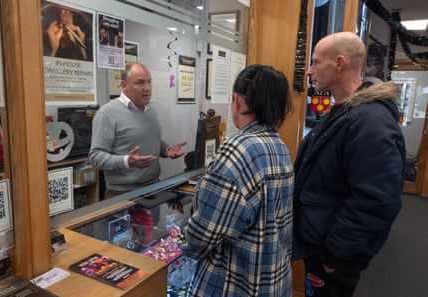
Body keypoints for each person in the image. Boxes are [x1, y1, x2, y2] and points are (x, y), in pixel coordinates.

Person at [293, 31, 406, 297]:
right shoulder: (346, 112)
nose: (309, 71)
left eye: (316, 62)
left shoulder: (370, 122)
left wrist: (333, 254)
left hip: (333, 254)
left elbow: (377, 201)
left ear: (340, 63)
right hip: (319, 244)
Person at [183, 64, 294, 297]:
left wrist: (182, 242)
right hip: (273, 281)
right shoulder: (279, 146)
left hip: (235, 284)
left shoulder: (239, 149)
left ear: (239, 101)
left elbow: (201, 236)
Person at [89, 61, 187, 197]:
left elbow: (150, 140)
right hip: (123, 193)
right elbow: (95, 157)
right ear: (124, 85)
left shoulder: (150, 109)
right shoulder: (107, 113)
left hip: (154, 187)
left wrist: (167, 150)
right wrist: (126, 162)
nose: (147, 88)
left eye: (149, 82)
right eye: (140, 83)